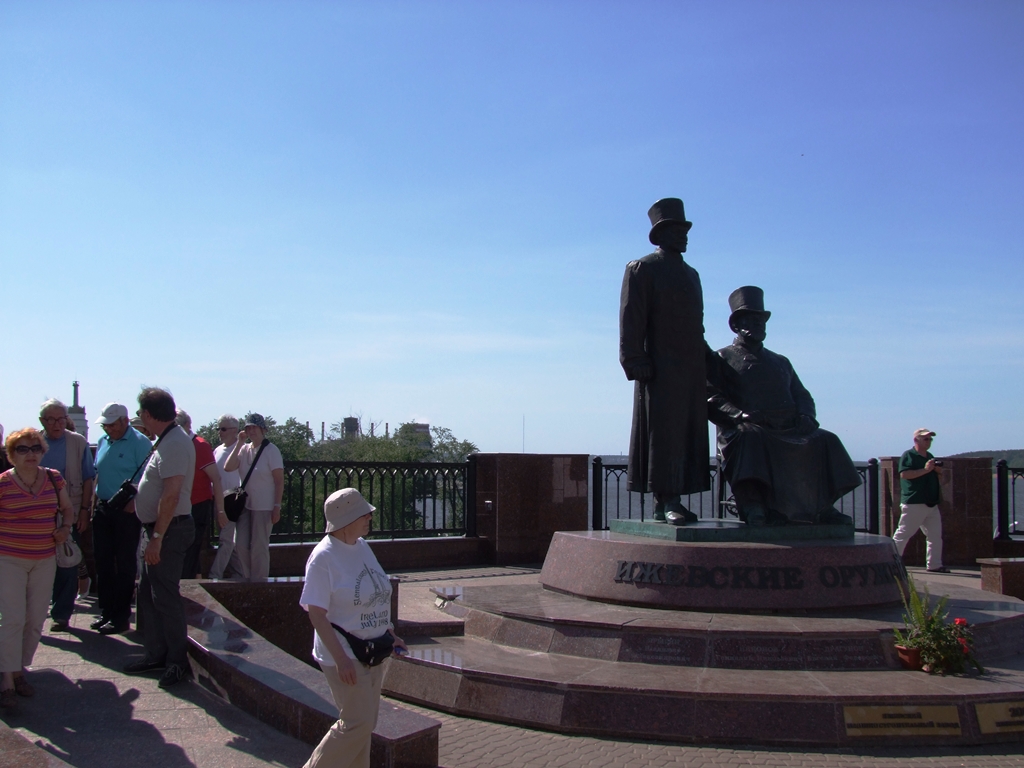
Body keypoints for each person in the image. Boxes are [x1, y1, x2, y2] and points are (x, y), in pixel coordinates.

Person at [707, 286, 862, 526]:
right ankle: (753, 504)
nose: (758, 325)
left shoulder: (780, 361)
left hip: (788, 426)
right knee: (750, 438)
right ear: (736, 325)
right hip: (749, 426)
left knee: (825, 439)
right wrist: (739, 414)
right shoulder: (721, 358)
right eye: (752, 319)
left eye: (761, 320)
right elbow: (710, 396)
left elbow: (802, 394)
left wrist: (806, 416)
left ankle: (821, 507)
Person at [619, 198, 713, 525]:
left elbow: (697, 327)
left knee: (688, 434)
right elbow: (632, 319)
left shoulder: (692, 276)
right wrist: (635, 360)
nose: (684, 235)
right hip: (659, 368)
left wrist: (712, 364)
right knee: (665, 433)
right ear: (659, 236)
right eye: (676, 230)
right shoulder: (642, 268)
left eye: (685, 229)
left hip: (690, 369)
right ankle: (667, 498)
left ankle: (670, 502)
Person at [299, 488, 406, 768]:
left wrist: (390, 632)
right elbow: (316, 614)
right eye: (364, 513)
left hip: (372, 651)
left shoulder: (361, 546)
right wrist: (341, 659)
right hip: (345, 655)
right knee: (356, 724)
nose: (370, 516)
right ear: (346, 519)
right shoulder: (323, 558)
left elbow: (376, 592)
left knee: (364, 725)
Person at [123, 387, 196, 688]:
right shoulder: (166, 441)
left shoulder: (176, 444)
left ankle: (177, 662)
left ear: (150, 415)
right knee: (149, 595)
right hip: (156, 529)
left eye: (141, 413)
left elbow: (171, 495)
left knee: (165, 597)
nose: (139, 418)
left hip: (168, 530)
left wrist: (157, 537)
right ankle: (156, 654)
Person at [0, 428, 74, 713]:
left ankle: (18, 668)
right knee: (13, 619)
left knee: (34, 620)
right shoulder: (4, 485)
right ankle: (7, 680)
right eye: (22, 449)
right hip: (9, 559)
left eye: (35, 448)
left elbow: (67, 509)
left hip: (44, 558)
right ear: (11, 455)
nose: (30, 453)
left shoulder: (54, 479)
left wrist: (65, 528)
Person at [91, 403, 152, 634]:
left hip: (126, 510)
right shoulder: (104, 441)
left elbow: (148, 476)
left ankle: (121, 617)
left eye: (112, 424)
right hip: (104, 506)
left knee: (124, 564)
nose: (109, 429)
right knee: (103, 562)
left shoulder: (140, 443)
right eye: (106, 425)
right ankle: (106, 611)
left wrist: (134, 502)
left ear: (125, 421)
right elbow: (98, 473)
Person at [38, 398, 95, 631]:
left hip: (69, 509)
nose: (57, 424)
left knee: (68, 562)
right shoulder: (34, 442)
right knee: (41, 563)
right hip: (40, 513)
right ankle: (41, 608)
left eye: (61, 419)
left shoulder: (78, 443)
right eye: (51, 420)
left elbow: (88, 478)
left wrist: (84, 511)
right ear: (43, 421)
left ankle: (62, 614)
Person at [222, 414, 283, 581]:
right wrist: (240, 442)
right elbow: (228, 467)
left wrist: (277, 506)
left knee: (259, 546)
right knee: (240, 544)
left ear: (262, 429)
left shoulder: (271, 451)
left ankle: (259, 580)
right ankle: (249, 578)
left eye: (254, 427)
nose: (251, 431)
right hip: (245, 505)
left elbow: (279, 481)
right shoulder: (244, 449)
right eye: (249, 428)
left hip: (264, 506)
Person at [175, 410, 224, 579]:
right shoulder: (172, 444)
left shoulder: (200, 445)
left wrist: (220, 510)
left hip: (197, 504)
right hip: (177, 504)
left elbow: (216, 478)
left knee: (191, 548)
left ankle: (186, 587)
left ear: (186, 426)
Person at [893, 428, 948, 572]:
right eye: (925, 439)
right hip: (914, 502)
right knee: (903, 534)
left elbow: (936, 477)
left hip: (931, 502)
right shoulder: (909, 455)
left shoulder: (929, 456)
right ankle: (891, 562)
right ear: (916, 440)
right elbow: (904, 474)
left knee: (935, 536)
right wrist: (925, 470)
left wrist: (937, 472)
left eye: (930, 439)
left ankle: (935, 564)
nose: (929, 442)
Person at [209, 414, 243, 580]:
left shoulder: (242, 450)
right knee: (229, 542)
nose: (219, 432)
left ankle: (214, 574)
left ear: (234, 430)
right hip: (218, 500)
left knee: (226, 540)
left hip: (232, 501)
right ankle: (240, 574)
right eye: (218, 428)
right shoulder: (218, 450)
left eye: (223, 429)